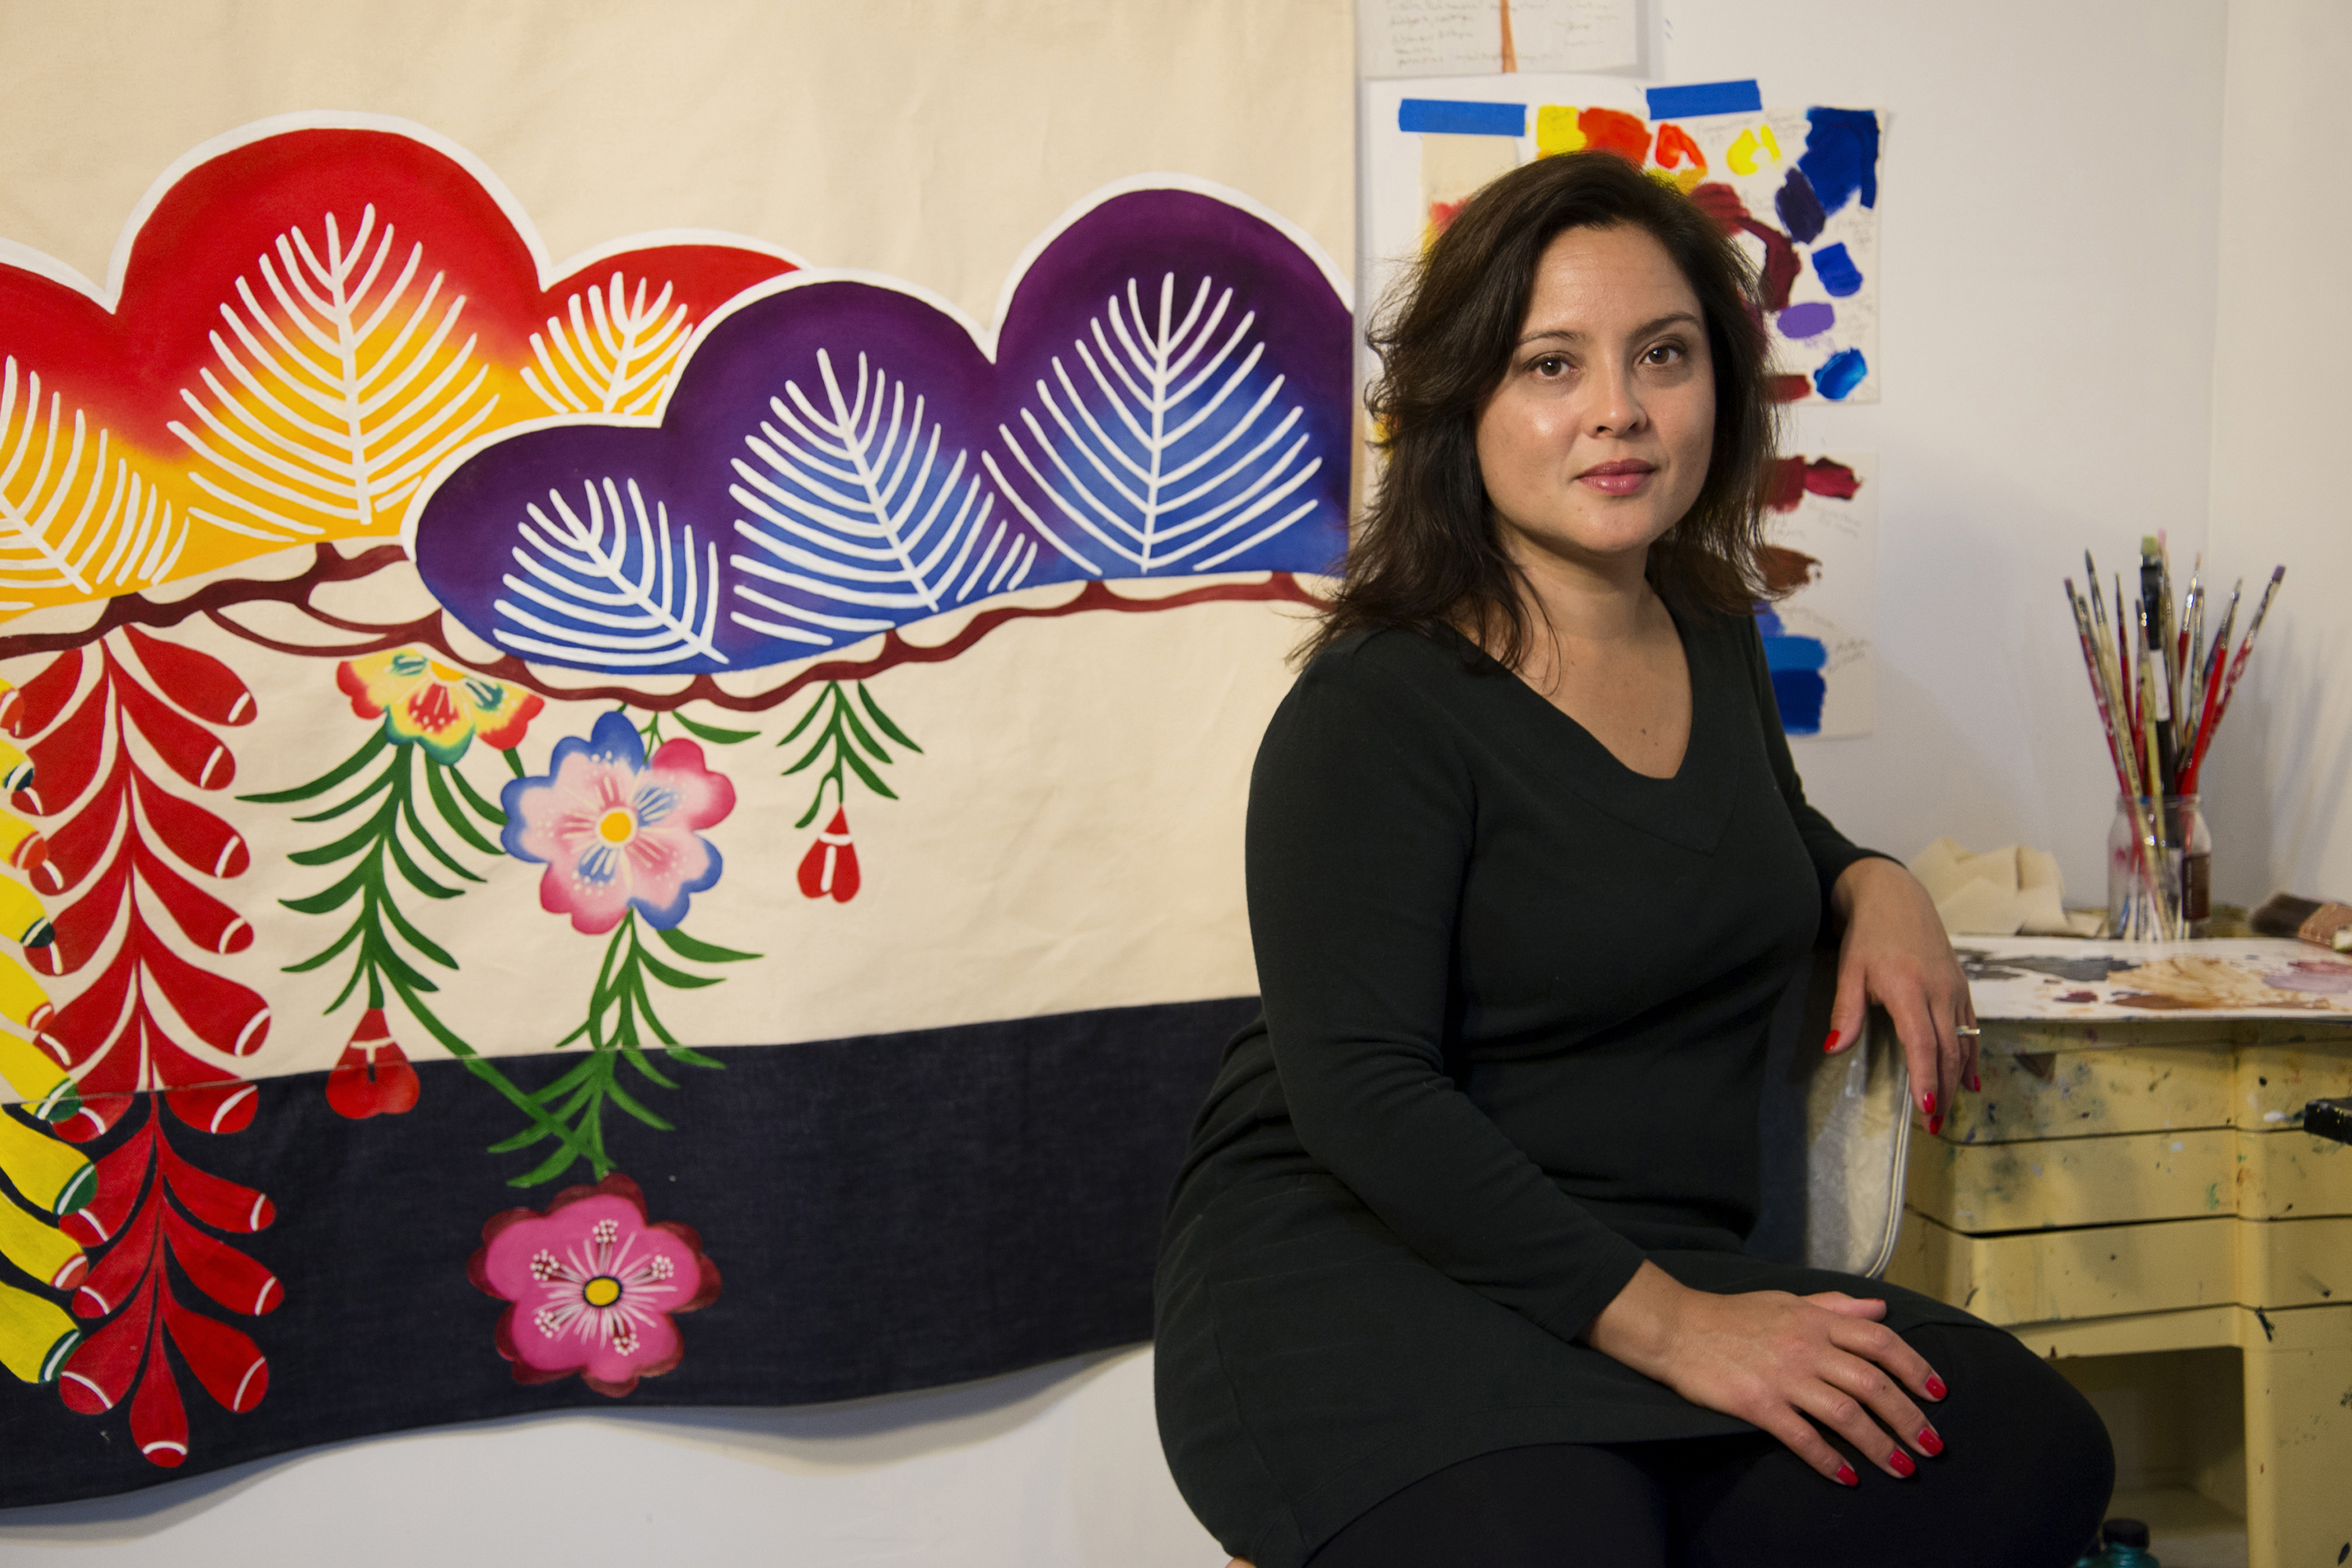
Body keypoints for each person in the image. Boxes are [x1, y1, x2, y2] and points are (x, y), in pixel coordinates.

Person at [1152, 151, 2114, 1568]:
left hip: (1651, 1248)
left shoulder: (1711, 628)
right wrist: (1687, 1334)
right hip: (1364, 1269)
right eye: (1551, 365)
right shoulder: (1373, 710)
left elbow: (1746, 840)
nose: (1618, 409)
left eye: (1662, 354)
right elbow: (1363, 1096)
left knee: (2024, 1449)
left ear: (1717, 384)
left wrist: (1876, 881)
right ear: (1459, 405)